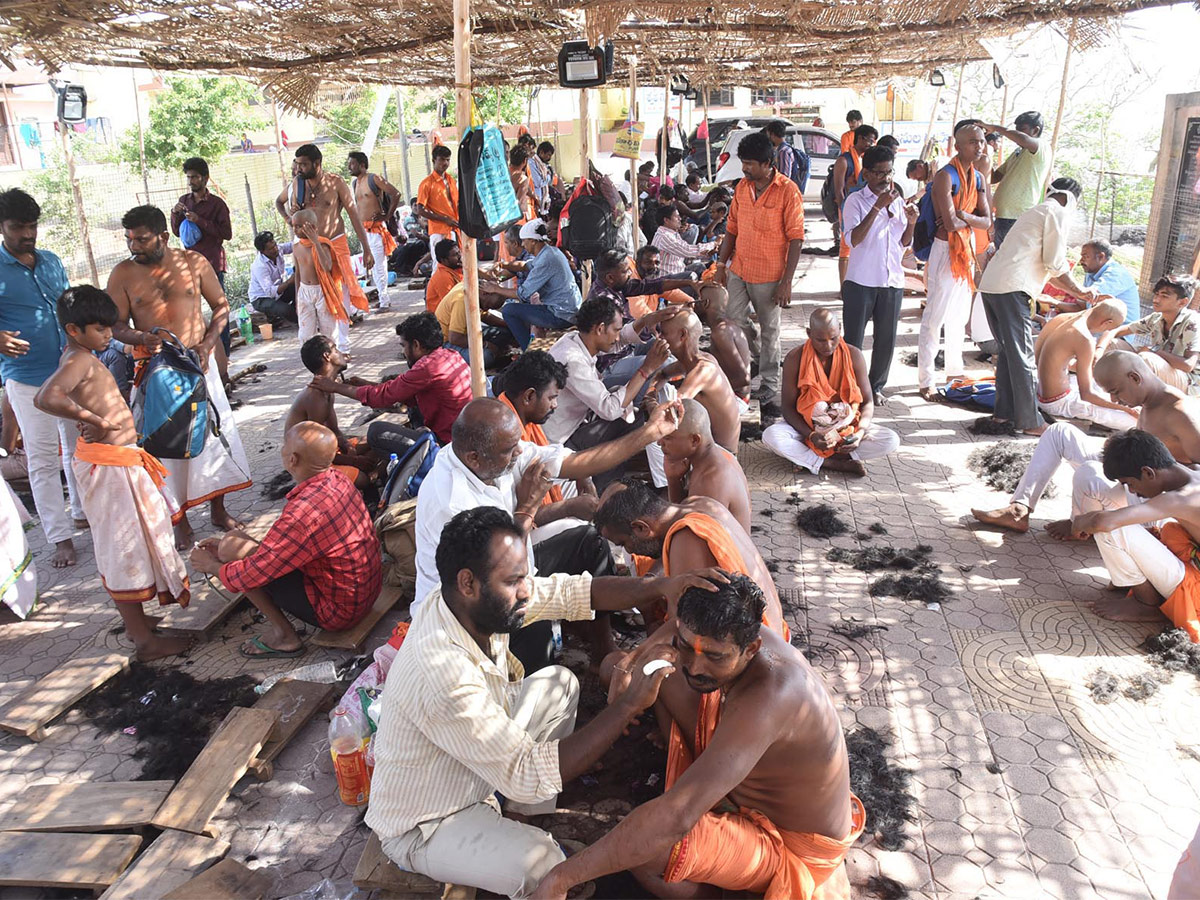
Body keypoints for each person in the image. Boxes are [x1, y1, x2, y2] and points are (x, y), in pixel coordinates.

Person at [367, 505, 722, 898]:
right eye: (514, 581)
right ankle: (490, 842)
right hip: (428, 820)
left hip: (476, 769)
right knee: (547, 868)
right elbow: (526, 769)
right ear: (468, 583)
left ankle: (521, 815)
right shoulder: (441, 672)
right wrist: (626, 707)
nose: (526, 590)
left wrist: (658, 586)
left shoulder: (471, 603)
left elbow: (572, 592)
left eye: (525, 577)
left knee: (560, 684)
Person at [532, 574, 862, 900]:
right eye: (686, 646)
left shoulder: (769, 697)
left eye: (715, 656)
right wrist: (633, 662)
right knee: (653, 669)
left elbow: (676, 817)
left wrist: (562, 877)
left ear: (752, 649)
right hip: (746, 790)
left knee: (649, 851)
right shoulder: (720, 633)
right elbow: (670, 642)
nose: (696, 666)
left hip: (787, 843)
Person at [412, 398, 686, 668]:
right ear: (475, 457)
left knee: (588, 543)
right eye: (510, 449)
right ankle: (528, 691)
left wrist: (652, 432)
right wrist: (527, 510)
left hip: (511, 567)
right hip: (471, 610)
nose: (520, 452)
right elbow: (504, 576)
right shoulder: (451, 502)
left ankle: (603, 649)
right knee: (531, 623)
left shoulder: (492, 455)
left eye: (518, 442)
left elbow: (576, 463)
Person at [34, 285, 191, 660]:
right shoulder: (77, 359)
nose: (108, 334)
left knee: (136, 542)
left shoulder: (84, 355)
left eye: (109, 328)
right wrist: (91, 419)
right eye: (100, 329)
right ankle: (143, 640)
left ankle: (140, 622)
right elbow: (45, 397)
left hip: (119, 459)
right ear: (74, 329)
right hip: (107, 466)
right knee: (123, 549)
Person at [107, 205, 251, 549]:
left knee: (214, 435)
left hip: (198, 363)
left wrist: (207, 344)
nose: (134, 247)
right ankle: (180, 520)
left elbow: (220, 306)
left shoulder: (194, 263)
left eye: (141, 239)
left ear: (163, 236)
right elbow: (114, 326)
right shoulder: (122, 275)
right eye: (129, 240)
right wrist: (141, 339)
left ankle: (219, 510)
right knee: (163, 445)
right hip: (157, 371)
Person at [190, 422, 382, 658]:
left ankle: (285, 636)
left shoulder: (303, 513)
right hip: (367, 591)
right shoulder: (338, 479)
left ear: (292, 459)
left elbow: (253, 573)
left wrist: (212, 566)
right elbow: (280, 548)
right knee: (232, 544)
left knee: (232, 552)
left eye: (283, 445)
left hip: (340, 611)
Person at [970, 350, 1200, 534]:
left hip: (1152, 495)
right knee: (1059, 432)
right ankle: (1019, 509)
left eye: (1116, 391)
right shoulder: (1150, 403)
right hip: (1134, 478)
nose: (1114, 399)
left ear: (1135, 378)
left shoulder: (1182, 414)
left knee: (1089, 473)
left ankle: (1082, 527)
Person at [0, 187, 84, 567]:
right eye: (19, 227)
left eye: (32, 225)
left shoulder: (51, 261)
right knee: (42, 459)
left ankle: (82, 512)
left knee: (79, 449)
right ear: (2, 227)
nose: (28, 234)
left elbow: (67, 306)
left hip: (68, 371)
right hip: (26, 377)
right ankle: (59, 536)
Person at [976, 177, 1095, 434]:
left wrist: (1075, 290)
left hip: (993, 286)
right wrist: (1081, 291)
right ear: (1073, 199)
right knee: (1022, 356)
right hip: (1011, 288)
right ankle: (1030, 422)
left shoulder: (1036, 211)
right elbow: (1054, 263)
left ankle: (1003, 415)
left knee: (1010, 353)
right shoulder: (1056, 211)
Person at [594, 479, 786, 636]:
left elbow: (685, 638)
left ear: (641, 528)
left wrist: (649, 616)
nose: (628, 551)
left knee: (613, 667)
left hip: (757, 652)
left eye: (623, 543)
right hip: (775, 635)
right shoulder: (701, 503)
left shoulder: (686, 539)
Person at [1069, 430, 1200, 635]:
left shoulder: (1181, 498)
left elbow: (1104, 522)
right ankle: (1143, 587)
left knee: (1111, 528)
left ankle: (1146, 603)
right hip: (1193, 564)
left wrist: (1079, 522)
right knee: (1144, 527)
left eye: (1129, 483)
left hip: (1196, 591)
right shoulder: (1194, 473)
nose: (1131, 492)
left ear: (1148, 472)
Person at [714, 131, 805, 419]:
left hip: (770, 274)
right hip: (740, 267)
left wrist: (786, 281)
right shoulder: (741, 187)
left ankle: (769, 382)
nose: (745, 168)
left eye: (751, 163)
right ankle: (753, 358)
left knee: (771, 331)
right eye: (743, 162)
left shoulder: (788, 191)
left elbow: (796, 238)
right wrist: (720, 265)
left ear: (768, 163)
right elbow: (732, 228)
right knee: (734, 320)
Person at [764, 307, 900, 478]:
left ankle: (812, 459)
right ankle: (832, 462)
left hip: (847, 426)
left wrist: (859, 433)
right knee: (771, 436)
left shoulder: (854, 355)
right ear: (808, 333)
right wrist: (812, 435)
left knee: (890, 440)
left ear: (840, 330)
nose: (828, 346)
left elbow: (867, 401)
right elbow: (788, 408)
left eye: (833, 338)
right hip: (807, 427)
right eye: (820, 340)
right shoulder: (794, 358)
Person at [309, 312, 471, 446]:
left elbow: (384, 396)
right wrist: (367, 384)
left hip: (449, 441)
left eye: (403, 346)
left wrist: (335, 387)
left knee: (375, 431)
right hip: (458, 432)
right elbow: (401, 391)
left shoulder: (427, 367)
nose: (403, 352)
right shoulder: (449, 355)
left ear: (416, 345)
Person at [543, 297, 671, 464]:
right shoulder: (573, 361)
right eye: (616, 331)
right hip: (561, 439)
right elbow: (610, 409)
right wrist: (646, 369)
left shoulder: (576, 338)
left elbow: (619, 340)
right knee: (636, 418)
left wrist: (645, 321)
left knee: (625, 402)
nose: (618, 337)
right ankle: (603, 478)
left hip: (572, 423)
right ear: (600, 329)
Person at [917, 122, 991, 403]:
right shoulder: (945, 177)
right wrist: (969, 218)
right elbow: (948, 224)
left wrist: (966, 216)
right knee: (935, 316)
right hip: (945, 249)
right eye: (973, 141)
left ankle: (953, 371)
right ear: (957, 146)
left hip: (967, 249)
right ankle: (926, 379)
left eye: (982, 141)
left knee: (959, 316)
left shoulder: (979, 179)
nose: (979, 146)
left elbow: (987, 221)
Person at [841, 145, 918, 403]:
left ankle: (875, 388)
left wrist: (912, 223)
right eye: (880, 173)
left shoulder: (897, 200)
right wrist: (876, 208)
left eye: (889, 172)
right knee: (853, 340)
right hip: (861, 281)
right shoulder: (855, 201)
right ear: (867, 174)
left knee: (886, 340)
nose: (886, 178)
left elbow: (903, 243)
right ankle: (850, 387)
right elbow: (854, 240)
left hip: (892, 281)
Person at [275, 144, 374, 344]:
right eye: (298, 164)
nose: (299, 169)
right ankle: (317, 347)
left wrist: (366, 248)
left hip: (335, 243)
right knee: (311, 292)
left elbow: (353, 215)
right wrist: (289, 217)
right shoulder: (296, 185)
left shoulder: (335, 182)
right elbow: (278, 202)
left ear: (317, 163)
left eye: (304, 164)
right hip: (307, 246)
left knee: (340, 292)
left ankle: (342, 345)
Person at [287, 335, 378, 488]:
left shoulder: (326, 389)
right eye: (335, 348)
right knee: (363, 479)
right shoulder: (315, 396)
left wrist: (346, 446)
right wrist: (353, 461)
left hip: (327, 449)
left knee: (378, 442)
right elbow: (313, 451)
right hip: (310, 462)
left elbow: (334, 430)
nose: (341, 352)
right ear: (327, 356)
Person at [1033, 300, 1138, 430]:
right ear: (1107, 322)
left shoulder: (1062, 318)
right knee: (1134, 422)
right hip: (1057, 402)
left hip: (1039, 390)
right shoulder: (1084, 339)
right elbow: (1087, 395)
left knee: (1103, 386)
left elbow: (1044, 359)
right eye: (1108, 328)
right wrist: (1127, 410)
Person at [171, 157, 233, 368]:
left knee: (219, 307)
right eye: (188, 177)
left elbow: (227, 233)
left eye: (195, 177)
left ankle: (224, 354)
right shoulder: (184, 200)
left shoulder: (217, 204)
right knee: (191, 307)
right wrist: (175, 214)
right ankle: (197, 352)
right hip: (189, 264)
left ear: (205, 178)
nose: (191, 181)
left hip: (213, 262)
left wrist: (201, 222)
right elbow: (176, 231)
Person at [650, 308, 741, 451]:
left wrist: (649, 403)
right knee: (663, 395)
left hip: (720, 453)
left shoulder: (703, 369)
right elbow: (662, 374)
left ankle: (663, 474)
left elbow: (674, 408)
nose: (659, 337)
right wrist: (651, 392)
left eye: (664, 333)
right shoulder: (691, 361)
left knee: (652, 436)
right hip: (707, 446)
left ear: (682, 335)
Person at [657, 398, 752, 531]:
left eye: (668, 438)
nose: (659, 442)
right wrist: (673, 480)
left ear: (694, 440)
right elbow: (684, 511)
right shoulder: (707, 457)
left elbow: (692, 535)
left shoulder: (711, 479)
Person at [487, 220, 582, 349]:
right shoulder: (549, 252)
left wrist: (495, 289)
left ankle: (530, 350)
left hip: (562, 314)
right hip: (566, 308)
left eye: (524, 241)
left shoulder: (546, 259)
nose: (523, 244)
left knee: (509, 310)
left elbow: (523, 294)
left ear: (532, 241)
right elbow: (525, 265)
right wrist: (502, 264)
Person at [1110, 275, 1200, 396]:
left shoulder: (1192, 322)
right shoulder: (1157, 317)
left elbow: (1188, 365)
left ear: (1182, 302)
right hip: (1160, 370)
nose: (1156, 300)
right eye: (1156, 294)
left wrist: (1155, 351)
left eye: (1164, 296)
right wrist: (1099, 348)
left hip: (1187, 381)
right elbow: (1120, 330)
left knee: (1146, 359)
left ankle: (1129, 397)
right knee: (1113, 345)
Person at [981, 112, 1053, 247]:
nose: (1018, 133)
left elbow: (1024, 140)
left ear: (1036, 130)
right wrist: (987, 155)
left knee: (1009, 260)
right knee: (1001, 258)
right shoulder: (1018, 152)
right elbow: (995, 177)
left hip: (1018, 216)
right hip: (1003, 216)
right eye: (1017, 129)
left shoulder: (1041, 147)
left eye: (1022, 129)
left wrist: (995, 128)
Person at [290, 208, 348, 347]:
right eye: (293, 226)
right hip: (305, 292)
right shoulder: (296, 247)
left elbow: (327, 266)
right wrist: (298, 296)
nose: (295, 230)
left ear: (313, 227)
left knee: (328, 331)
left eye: (299, 226)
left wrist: (315, 242)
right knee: (305, 334)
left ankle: (331, 358)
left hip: (323, 292)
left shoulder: (323, 244)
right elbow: (297, 273)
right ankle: (311, 359)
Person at [348, 151, 400, 301]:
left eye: (352, 163)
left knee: (379, 267)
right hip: (364, 232)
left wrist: (387, 216)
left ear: (362, 165)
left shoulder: (374, 179)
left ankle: (384, 301)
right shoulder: (355, 183)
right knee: (370, 267)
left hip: (376, 230)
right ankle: (381, 297)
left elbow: (395, 194)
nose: (349, 166)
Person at [832, 124, 879, 286]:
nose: (872, 145)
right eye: (870, 141)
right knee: (845, 249)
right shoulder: (844, 160)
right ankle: (843, 288)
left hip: (864, 209)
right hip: (848, 209)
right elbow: (839, 191)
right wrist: (845, 212)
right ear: (860, 139)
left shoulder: (864, 160)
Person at [435, 281, 516, 369]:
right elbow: (455, 339)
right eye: (488, 305)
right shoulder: (463, 300)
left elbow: (484, 315)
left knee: (504, 333)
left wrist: (509, 325)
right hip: (447, 343)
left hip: (466, 334)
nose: (486, 309)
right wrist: (486, 344)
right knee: (486, 356)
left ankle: (495, 354)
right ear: (485, 293)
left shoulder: (473, 290)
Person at [694, 282, 752, 402]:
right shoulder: (725, 326)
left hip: (736, 399)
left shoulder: (721, 332)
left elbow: (743, 379)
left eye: (696, 301)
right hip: (734, 395)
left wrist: (704, 388)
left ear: (705, 304)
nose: (693, 305)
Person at [1072, 239, 1141, 324]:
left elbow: (1090, 297)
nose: (1080, 261)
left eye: (1085, 256)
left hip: (1119, 333)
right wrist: (1054, 302)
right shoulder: (1091, 271)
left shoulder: (1115, 274)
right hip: (1098, 325)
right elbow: (1083, 305)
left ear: (1101, 257)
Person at [414, 144, 460, 269]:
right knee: (440, 266)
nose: (445, 163)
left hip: (453, 229)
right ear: (434, 160)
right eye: (442, 159)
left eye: (448, 160)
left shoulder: (451, 180)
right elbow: (420, 210)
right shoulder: (426, 183)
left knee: (454, 265)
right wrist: (445, 219)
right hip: (438, 230)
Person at [652, 207, 717, 276]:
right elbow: (687, 250)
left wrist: (707, 254)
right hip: (668, 277)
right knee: (693, 275)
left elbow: (687, 253)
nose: (680, 219)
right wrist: (713, 244)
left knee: (700, 267)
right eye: (677, 217)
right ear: (666, 220)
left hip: (678, 270)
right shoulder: (664, 236)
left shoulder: (672, 233)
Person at [249, 230, 297, 324]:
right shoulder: (260, 266)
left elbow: (294, 245)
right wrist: (289, 281)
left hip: (278, 292)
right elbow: (270, 292)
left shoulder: (278, 249)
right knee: (286, 310)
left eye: (275, 245)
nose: (275, 249)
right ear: (262, 251)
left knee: (300, 286)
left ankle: (295, 312)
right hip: (262, 299)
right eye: (271, 249)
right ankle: (302, 322)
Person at [425, 240, 463, 313]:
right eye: (455, 255)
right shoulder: (442, 277)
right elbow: (453, 304)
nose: (459, 256)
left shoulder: (456, 268)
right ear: (444, 260)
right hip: (442, 320)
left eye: (459, 252)